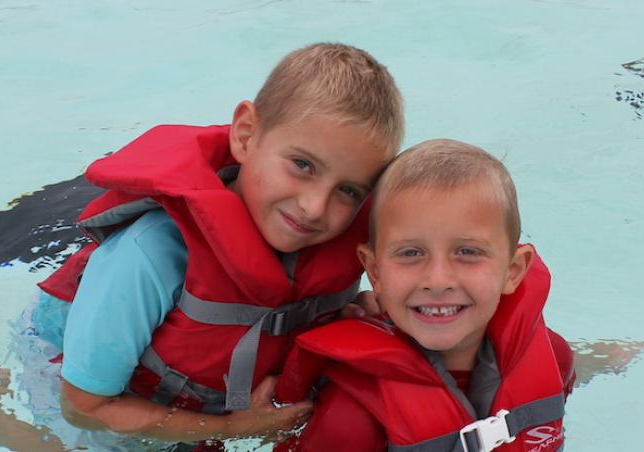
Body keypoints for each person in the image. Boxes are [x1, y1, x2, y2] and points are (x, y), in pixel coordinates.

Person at [28, 42, 405, 447]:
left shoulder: (337, 248)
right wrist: (230, 430)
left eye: (348, 190)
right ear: (245, 134)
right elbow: (84, 406)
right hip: (69, 379)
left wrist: (352, 317)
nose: (315, 208)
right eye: (302, 165)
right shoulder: (150, 254)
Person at [273, 139, 576, 451]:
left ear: (513, 271)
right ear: (375, 272)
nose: (438, 280)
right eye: (411, 253)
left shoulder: (555, 359)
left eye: (468, 252)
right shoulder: (349, 418)